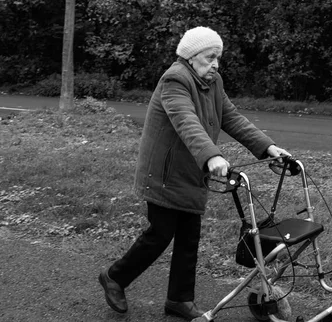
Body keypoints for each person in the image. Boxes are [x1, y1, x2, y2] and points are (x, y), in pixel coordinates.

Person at [98, 26, 290, 320]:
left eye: (218, 58)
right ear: (191, 56)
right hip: (164, 173)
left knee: (189, 237)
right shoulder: (174, 80)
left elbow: (231, 117)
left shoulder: (213, 82)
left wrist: (268, 148)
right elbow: (185, 120)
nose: (215, 63)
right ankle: (115, 277)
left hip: (191, 172)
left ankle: (179, 300)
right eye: (210, 57)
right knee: (160, 234)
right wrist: (212, 155)